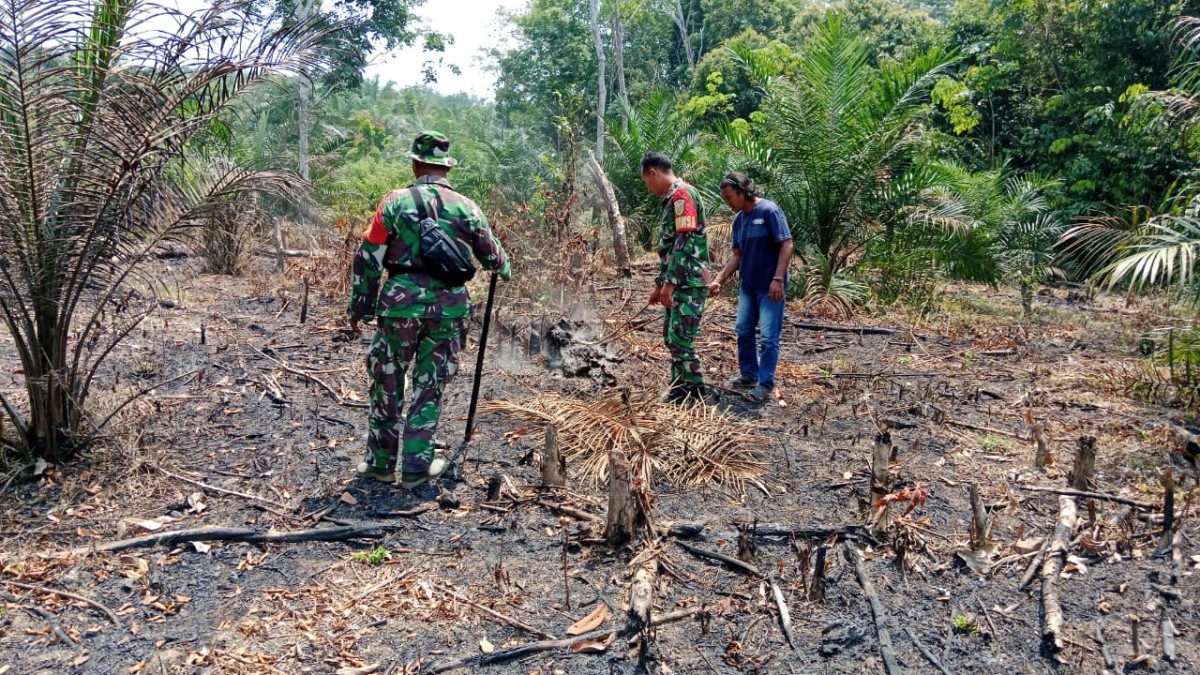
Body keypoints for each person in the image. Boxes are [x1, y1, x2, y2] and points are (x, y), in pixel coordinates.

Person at [347, 131, 511, 488]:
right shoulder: (468, 207)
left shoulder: (393, 203)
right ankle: (416, 467)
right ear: (446, 167)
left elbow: (369, 258)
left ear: (415, 163)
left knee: (387, 380)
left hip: (399, 307)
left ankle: (380, 463)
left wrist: (360, 307)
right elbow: (497, 260)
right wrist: (502, 266)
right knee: (430, 385)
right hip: (447, 312)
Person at [709, 172, 792, 403]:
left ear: (743, 192)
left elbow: (786, 245)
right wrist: (719, 280)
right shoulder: (739, 220)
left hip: (770, 286)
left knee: (768, 337)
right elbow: (737, 255)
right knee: (744, 330)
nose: (727, 203)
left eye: (729, 197)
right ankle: (749, 375)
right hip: (748, 285)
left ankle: (765, 385)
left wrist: (778, 279)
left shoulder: (769, 211)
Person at [640, 151, 711, 403]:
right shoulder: (674, 198)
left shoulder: (683, 195)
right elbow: (669, 249)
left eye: (647, 182)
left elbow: (685, 241)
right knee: (671, 337)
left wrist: (670, 283)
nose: (648, 189)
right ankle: (679, 386)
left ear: (653, 173)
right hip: (678, 279)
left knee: (681, 338)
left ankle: (695, 391)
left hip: (687, 281)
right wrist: (659, 285)